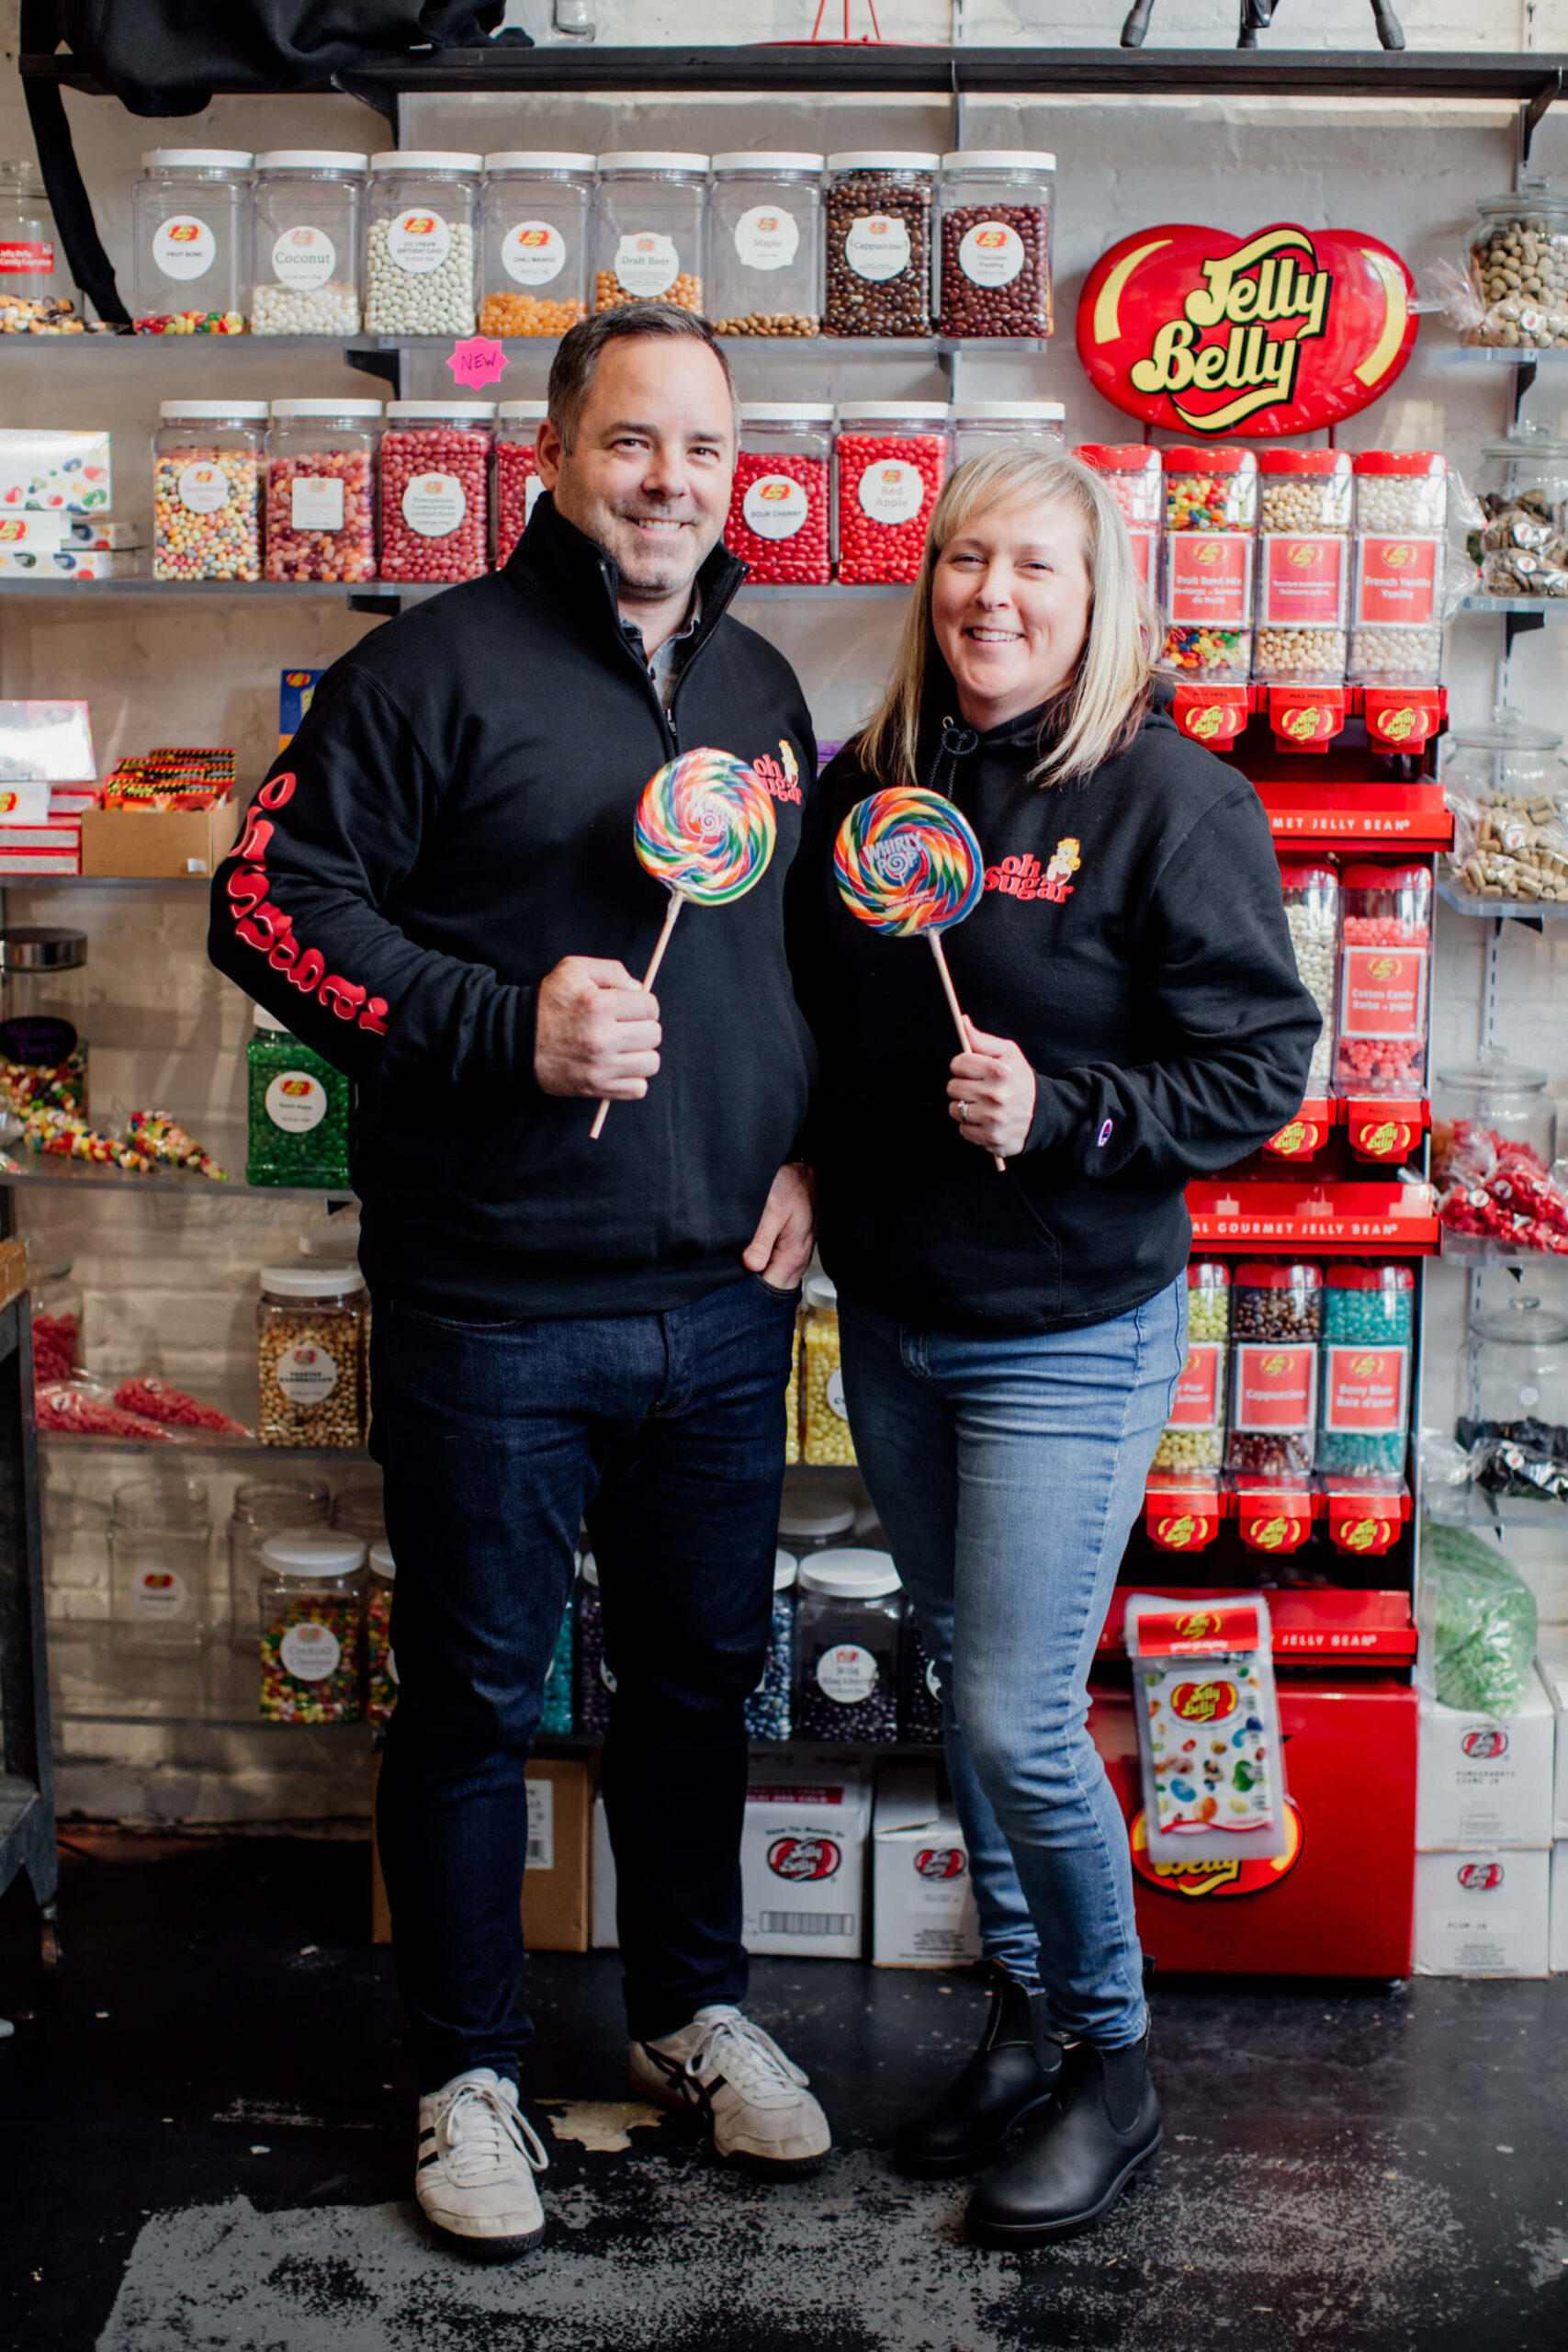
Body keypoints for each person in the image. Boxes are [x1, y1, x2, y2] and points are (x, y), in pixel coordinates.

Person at [209, 304, 832, 2262]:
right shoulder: (425, 674)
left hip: (722, 1299)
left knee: (693, 1684)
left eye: (703, 452)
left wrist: (807, 1148)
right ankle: (463, 2067)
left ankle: (685, 2008)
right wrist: (502, 1022)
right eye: (631, 443)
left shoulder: (761, 687)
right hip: (492, 1298)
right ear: (553, 455)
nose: (668, 483)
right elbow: (262, 907)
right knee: (473, 1697)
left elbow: (796, 963)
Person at [808, 447, 1319, 2246]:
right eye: (961, 559)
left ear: (1095, 591)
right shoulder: (868, 788)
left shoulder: (1175, 802)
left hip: (1065, 1330)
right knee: (963, 1683)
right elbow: (817, 1011)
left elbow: (1259, 1068)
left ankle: (1112, 2056)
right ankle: (1022, 2017)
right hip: (894, 1313)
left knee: (1020, 1715)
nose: (988, 596)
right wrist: (802, 1154)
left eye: (1030, 563)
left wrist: (1064, 1105)